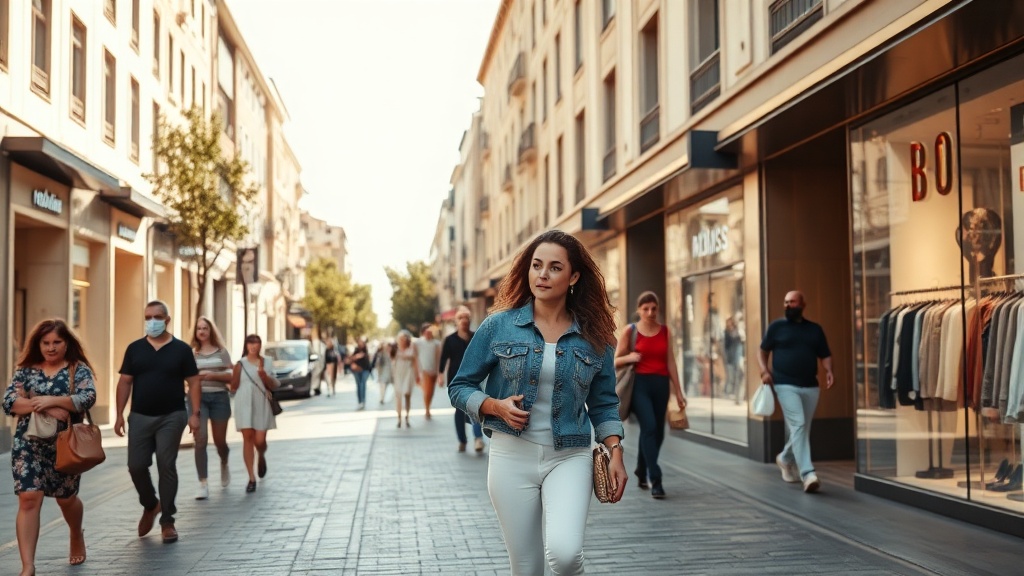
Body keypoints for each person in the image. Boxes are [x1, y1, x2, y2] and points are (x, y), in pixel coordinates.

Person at [448, 229, 626, 575]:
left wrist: (615, 451)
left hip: (570, 455)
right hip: (511, 456)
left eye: (555, 267)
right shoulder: (498, 326)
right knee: (526, 567)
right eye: (537, 265)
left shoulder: (596, 336)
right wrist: (494, 406)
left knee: (565, 554)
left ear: (573, 277)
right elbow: (460, 386)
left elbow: (604, 402)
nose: (543, 274)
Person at [3, 319, 97, 575]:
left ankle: (76, 533)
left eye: (57, 342)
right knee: (28, 498)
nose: (51, 347)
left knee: (66, 499)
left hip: (65, 444)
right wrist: (48, 406)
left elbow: (87, 397)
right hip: (28, 443)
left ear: (67, 343)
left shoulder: (77, 369)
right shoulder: (25, 371)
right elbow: (9, 402)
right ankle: (28, 566)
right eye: (45, 343)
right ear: (38, 344)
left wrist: (47, 400)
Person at [114, 300, 201, 544]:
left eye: (157, 317)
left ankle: (168, 521)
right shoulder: (135, 349)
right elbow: (125, 382)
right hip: (140, 416)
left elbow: (194, 382)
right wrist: (119, 414)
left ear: (167, 320)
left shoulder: (181, 350)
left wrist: (195, 414)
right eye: (148, 317)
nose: (152, 321)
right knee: (136, 466)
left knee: (166, 463)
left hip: (172, 416)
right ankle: (151, 504)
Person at [757, 290, 834, 493]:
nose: (788, 305)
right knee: (799, 424)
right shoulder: (776, 327)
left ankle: (785, 458)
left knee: (801, 429)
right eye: (786, 302)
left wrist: (829, 370)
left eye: (792, 302)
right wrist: (764, 370)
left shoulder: (815, 330)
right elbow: (762, 350)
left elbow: (825, 354)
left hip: (811, 386)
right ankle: (808, 474)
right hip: (784, 384)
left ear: (802, 304)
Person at [614, 291, 686, 499]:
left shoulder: (665, 331)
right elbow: (615, 361)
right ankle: (656, 479)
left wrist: (678, 391)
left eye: (654, 308)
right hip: (640, 385)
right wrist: (629, 357)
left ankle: (641, 468)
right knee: (650, 427)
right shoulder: (631, 331)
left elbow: (671, 361)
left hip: (661, 385)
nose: (650, 312)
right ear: (639, 310)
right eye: (645, 309)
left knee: (658, 433)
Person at [189, 317, 234, 500]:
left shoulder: (221, 351)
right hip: (198, 400)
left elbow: (231, 374)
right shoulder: (191, 353)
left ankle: (224, 460)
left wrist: (211, 375)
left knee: (219, 441)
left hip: (219, 398)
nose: (202, 331)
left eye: (205, 328)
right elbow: (188, 377)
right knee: (200, 439)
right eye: (199, 328)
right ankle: (203, 483)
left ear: (211, 331)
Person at [230, 334, 281, 493]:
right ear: (246, 345)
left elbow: (274, 384)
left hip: (261, 402)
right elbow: (233, 386)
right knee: (247, 439)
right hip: (243, 403)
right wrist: (231, 374)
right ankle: (251, 478)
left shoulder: (267, 362)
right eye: (250, 343)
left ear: (260, 345)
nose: (253, 346)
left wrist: (264, 376)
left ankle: (261, 454)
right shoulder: (240, 364)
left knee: (260, 440)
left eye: (256, 343)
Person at [440, 306, 484, 453]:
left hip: (474, 378)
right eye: (461, 318)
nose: (464, 320)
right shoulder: (449, 340)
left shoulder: (476, 337)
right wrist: (440, 375)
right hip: (455, 380)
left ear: (470, 320)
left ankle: (478, 438)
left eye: (466, 318)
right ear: (456, 321)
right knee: (460, 411)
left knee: (475, 407)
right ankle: (462, 440)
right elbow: (443, 358)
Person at [391, 330, 419, 427]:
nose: (402, 341)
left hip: (408, 373)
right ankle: (399, 417)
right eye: (401, 339)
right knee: (398, 396)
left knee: (407, 395)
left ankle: (407, 416)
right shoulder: (395, 349)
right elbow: (392, 361)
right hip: (398, 374)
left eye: (404, 339)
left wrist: (417, 375)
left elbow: (415, 362)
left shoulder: (412, 349)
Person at [414, 325, 441, 419]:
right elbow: (415, 356)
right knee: (427, 391)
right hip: (424, 370)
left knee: (431, 391)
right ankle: (427, 410)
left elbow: (438, 358)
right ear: (423, 332)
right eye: (427, 332)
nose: (428, 334)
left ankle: (428, 407)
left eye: (430, 332)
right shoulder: (418, 342)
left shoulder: (436, 343)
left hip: (433, 370)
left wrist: (439, 372)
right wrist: (417, 372)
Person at [348, 336, 372, 410]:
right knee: (358, 385)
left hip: (365, 370)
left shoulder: (366, 350)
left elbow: (368, 360)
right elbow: (351, 358)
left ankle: (363, 401)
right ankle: (360, 402)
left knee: (362, 384)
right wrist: (356, 356)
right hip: (356, 370)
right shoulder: (356, 350)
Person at [372, 340, 394, 405]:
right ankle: (382, 398)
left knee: (388, 386)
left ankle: (386, 398)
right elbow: (377, 363)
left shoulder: (393, 353)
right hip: (383, 371)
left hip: (391, 372)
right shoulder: (381, 354)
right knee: (383, 385)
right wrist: (379, 371)